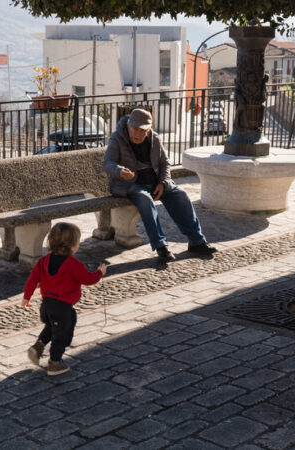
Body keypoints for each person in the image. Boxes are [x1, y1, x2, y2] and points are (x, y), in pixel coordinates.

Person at [103, 108, 217, 263]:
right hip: (130, 184)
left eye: (142, 130)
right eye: (134, 129)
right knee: (145, 199)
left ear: (148, 130)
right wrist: (119, 171)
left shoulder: (154, 138)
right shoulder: (117, 138)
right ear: (129, 125)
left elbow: (165, 163)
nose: (137, 133)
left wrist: (163, 183)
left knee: (180, 194)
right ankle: (161, 246)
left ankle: (197, 241)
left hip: (155, 182)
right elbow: (108, 163)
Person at [22, 223, 106, 376]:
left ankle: (38, 346)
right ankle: (55, 363)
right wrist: (100, 272)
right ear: (73, 246)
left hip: (46, 305)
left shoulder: (43, 261)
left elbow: (32, 280)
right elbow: (87, 279)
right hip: (62, 307)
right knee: (61, 333)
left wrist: (26, 297)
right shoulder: (74, 265)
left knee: (53, 326)